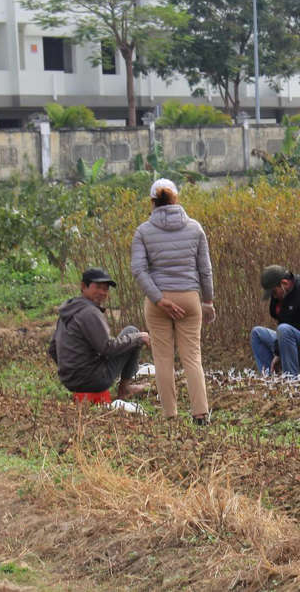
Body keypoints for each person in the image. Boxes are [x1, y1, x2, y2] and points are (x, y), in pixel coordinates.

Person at [131, 178, 216, 424]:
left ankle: (170, 415)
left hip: (158, 301)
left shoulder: (143, 231)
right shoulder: (194, 228)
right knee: (192, 357)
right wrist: (208, 301)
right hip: (190, 298)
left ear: (152, 202)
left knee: (163, 358)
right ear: (176, 199)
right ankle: (200, 413)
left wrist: (158, 299)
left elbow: (138, 270)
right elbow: (205, 270)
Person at [48, 267, 150, 401]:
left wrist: (70, 370)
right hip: (93, 380)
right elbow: (107, 348)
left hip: (69, 380)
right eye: (98, 287)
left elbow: (52, 348)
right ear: (84, 286)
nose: (102, 292)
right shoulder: (89, 311)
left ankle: (121, 386)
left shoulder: (68, 310)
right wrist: (139, 338)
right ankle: (125, 389)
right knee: (133, 332)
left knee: (131, 336)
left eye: (106, 289)